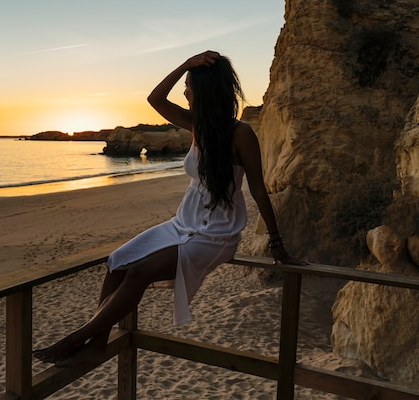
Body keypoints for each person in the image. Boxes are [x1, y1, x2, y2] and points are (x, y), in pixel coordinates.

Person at [33, 50, 307, 367]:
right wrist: (185, 65)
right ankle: (99, 341)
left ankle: (78, 337)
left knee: (139, 272)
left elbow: (258, 189)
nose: (185, 91)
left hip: (216, 234)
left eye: (189, 85)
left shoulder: (240, 133)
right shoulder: (196, 125)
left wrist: (278, 245)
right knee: (117, 262)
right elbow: (155, 98)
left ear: (204, 90)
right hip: (182, 223)